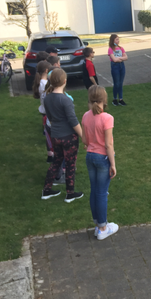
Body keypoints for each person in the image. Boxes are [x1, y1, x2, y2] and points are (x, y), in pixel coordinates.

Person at [82, 85, 119, 240]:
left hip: (90, 156)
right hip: (102, 157)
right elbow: (108, 144)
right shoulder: (107, 118)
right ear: (104, 100)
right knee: (102, 193)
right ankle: (103, 228)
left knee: (94, 190)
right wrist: (113, 164)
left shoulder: (85, 116)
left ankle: (98, 225)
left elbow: (84, 140)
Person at [41, 68, 84, 203]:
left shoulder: (47, 98)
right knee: (70, 164)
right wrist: (83, 135)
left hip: (55, 135)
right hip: (69, 137)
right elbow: (73, 120)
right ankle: (70, 193)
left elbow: (50, 116)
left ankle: (46, 190)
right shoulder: (65, 100)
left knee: (56, 162)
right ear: (65, 81)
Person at [33, 60, 53, 162]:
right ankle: (52, 153)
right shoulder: (45, 84)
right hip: (48, 111)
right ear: (46, 70)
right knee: (51, 134)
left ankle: (50, 154)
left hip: (44, 110)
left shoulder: (40, 82)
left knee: (47, 133)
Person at [108, 34, 128, 106]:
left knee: (120, 83)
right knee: (116, 83)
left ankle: (121, 99)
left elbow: (126, 57)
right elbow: (114, 59)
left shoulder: (121, 48)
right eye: (116, 39)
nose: (118, 41)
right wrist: (121, 58)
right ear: (113, 40)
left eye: (118, 39)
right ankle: (114, 99)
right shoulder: (110, 49)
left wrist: (120, 59)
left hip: (121, 66)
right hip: (115, 67)